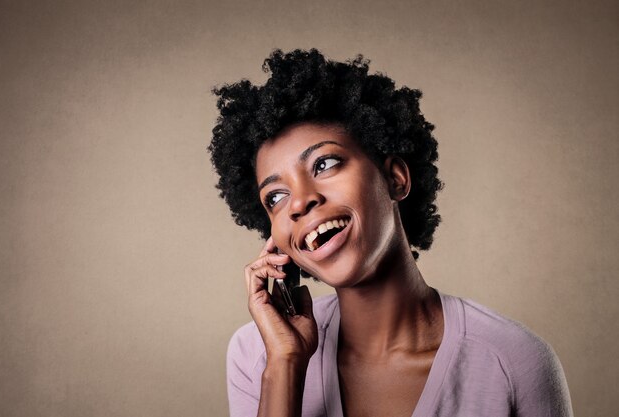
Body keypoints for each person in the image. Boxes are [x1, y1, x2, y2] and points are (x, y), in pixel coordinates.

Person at [208, 49, 573, 417]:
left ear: (395, 179)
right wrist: (285, 364)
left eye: (325, 164)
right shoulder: (257, 354)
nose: (300, 202)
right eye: (275, 196)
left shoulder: (512, 361)